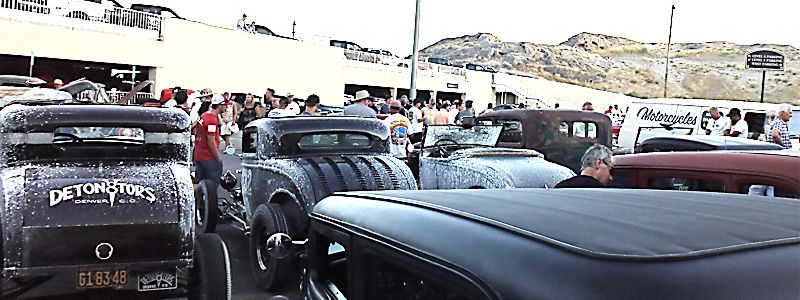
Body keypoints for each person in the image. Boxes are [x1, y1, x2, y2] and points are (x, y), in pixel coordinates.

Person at [193, 94, 227, 193]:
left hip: (199, 155)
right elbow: (211, 142)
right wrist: (218, 159)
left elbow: (194, 125)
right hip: (208, 157)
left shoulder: (204, 115)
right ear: (220, 105)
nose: (226, 107)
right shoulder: (212, 120)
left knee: (199, 183)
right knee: (211, 187)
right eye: (225, 104)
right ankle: (209, 206)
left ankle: (197, 205)